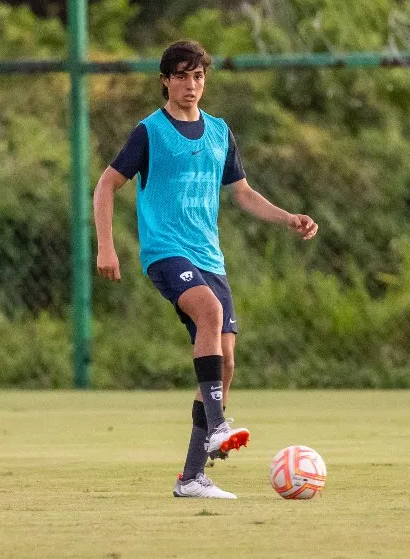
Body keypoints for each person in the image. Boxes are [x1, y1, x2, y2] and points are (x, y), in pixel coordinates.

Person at [93, 40, 318, 499]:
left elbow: (243, 193)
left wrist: (288, 216)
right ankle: (218, 427)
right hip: (166, 252)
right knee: (210, 313)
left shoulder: (219, 132)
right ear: (165, 81)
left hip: (209, 257)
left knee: (225, 364)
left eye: (198, 76)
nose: (190, 85)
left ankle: (192, 477)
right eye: (181, 76)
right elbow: (106, 185)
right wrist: (107, 247)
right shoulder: (149, 132)